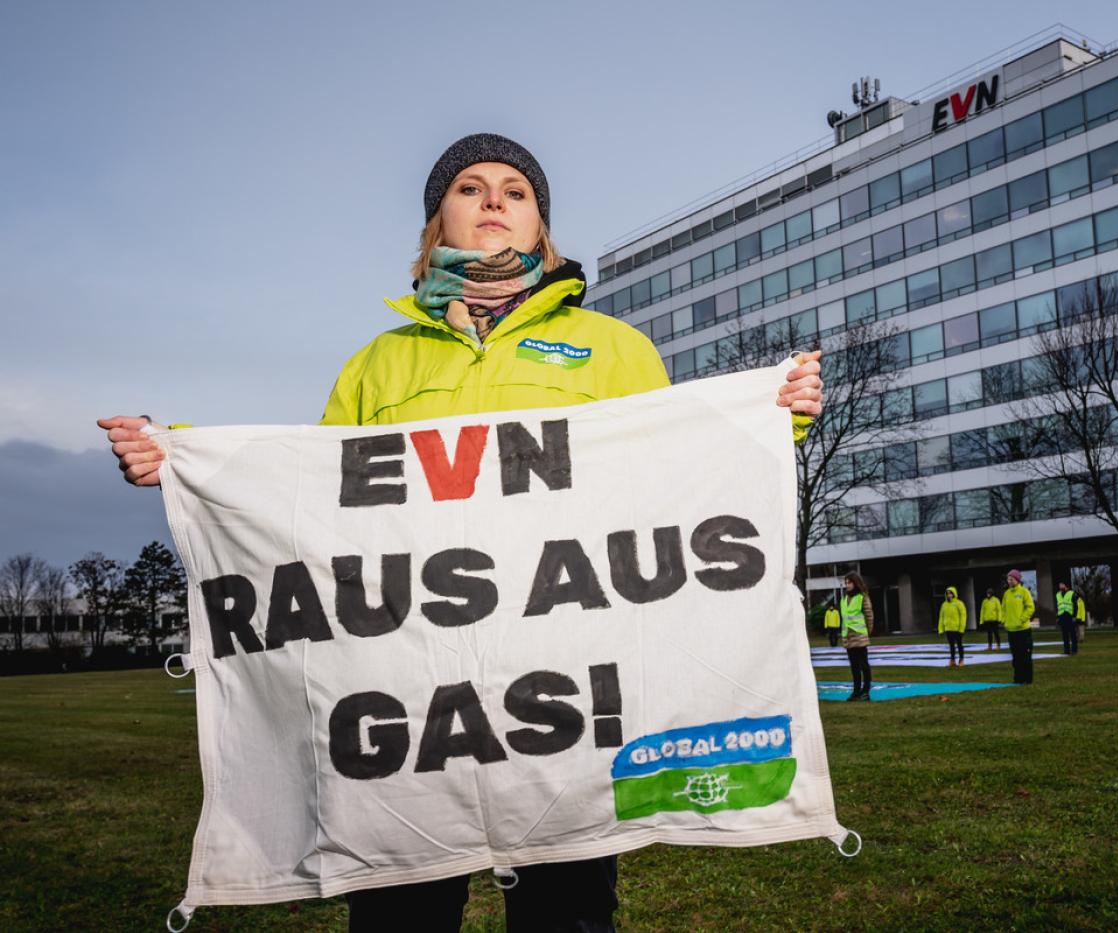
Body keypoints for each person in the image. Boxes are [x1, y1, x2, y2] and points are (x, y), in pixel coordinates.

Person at [97, 133, 826, 933]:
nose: (493, 203)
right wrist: (184, 456)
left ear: (539, 227)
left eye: (515, 192)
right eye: (471, 189)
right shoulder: (379, 364)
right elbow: (317, 505)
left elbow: (672, 469)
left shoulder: (612, 348)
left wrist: (770, 420)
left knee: (568, 914)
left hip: (563, 696)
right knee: (400, 911)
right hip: (413, 697)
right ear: (436, 222)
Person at [840, 573, 874, 701]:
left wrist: (867, 632)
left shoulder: (862, 597)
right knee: (854, 666)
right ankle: (856, 691)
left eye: (849, 582)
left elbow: (869, 615)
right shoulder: (844, 598)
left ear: (855, 583)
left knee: (863, 665)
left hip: (859, 636)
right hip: (848, 637)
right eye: (846, 583)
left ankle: (865, 691)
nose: (847, 585)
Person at [1002, 569, 1036, 685]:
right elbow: (1003, 609)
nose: (1009, 581)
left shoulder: (1024, 592)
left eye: (1011, 579)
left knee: (1025, 655)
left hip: (1023, 630)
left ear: (1017, 580)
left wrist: (1021, 619)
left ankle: (1028, 679)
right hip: (1011, 630)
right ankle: (1018, 679)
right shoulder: (1006, 594)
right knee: (1015, 657)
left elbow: (1030, 608)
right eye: (1008, 579)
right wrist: (1004, 621)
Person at [937, 586, 967, 667]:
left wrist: (961, 628)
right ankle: (952, 660)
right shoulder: (944, 605)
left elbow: (963, 616)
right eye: (947, 593)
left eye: (950, 593)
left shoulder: (959, 603)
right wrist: (941, 629)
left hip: (957, 629)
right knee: (951, 646)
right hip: (948, 628)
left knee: (959, 645)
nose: (949, 595)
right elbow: (941, 617)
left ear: (954, 594)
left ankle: (961, 660)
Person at [1056, 582, 1080, 656]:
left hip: (1070, 615)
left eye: (1062, 585)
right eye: (1059, 585)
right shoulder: (1058, 594)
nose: (1060, 586)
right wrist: (1058, 617)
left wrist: (1074, 616)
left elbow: (1076, 606)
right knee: (1064, 634)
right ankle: (1066, 651)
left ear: (1066, 586)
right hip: (1062, 616)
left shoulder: (1071, 593)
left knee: (1072, 634)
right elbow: (1058, 606)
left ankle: (1074, 650)